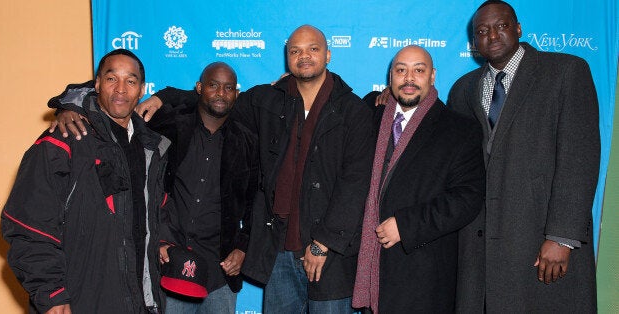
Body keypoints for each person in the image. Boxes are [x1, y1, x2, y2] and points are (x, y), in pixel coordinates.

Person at [447, 1, 599, 312]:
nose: (492, 35)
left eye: (501, 26)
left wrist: (562, 237)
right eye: (482, 31)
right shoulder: (463, 90)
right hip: (481, 249)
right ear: (474, 42)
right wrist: (384, 100)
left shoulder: (565, 71)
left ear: (518, 28)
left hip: (541, 240)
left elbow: (579, 158)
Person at [1, 49, 170, 313]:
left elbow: (154, 214)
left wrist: (164, 242)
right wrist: (52, 294)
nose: (121, 89)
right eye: (112, 78)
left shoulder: (152, 148)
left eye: (131, 81)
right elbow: (28, 225)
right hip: (81, 301)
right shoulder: (65, 139)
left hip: (142, 303)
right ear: (97, 84)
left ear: (142, 90)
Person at [235, 25, 374, 313]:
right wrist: (165, 97)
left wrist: (323, 243)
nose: (304, 56)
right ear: (287, 58)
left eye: (313, 49)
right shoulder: (267, 100)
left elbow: (356, 183)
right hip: (279, 249)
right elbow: (217, 102)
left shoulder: (353, 110)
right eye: (295, 50)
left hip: (330, 252)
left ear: (328, 55)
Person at [352, 46, 485, 313]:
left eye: (419, 70)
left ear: (432, 75)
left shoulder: (460, 129)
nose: (409, 78)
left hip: (423, 276)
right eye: (401, 70)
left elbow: (467, 198)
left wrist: (407, 225)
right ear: (391, 76)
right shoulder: (370, 115)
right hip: (370, 273)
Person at [139, 62, 258, 313]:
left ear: (236, 94)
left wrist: (242, 247)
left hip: (220, 270)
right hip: (171, 261)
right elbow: (115, 109)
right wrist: (68, 110)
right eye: (213, 85)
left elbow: (254, 203)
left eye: (228, 88)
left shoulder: (246, 141)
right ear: (199, 88)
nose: (220, 94)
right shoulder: (168, 127)